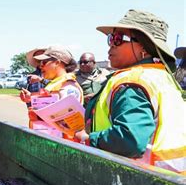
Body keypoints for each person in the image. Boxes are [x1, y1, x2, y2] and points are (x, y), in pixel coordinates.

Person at [74, 9, 185, 174]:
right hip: (173, 181)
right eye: (110, 38)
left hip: (142, 182)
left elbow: (130, 140)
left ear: (145, 47)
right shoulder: (162, 76)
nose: (111, 44)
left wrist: (89, 139)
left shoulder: (132, 81)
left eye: (118, 38)